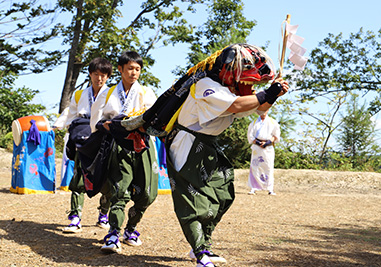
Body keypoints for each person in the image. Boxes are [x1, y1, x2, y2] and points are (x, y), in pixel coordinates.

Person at [161, 44, 288, 267]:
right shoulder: (205, 85)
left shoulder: (234, 91)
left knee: (223, 194)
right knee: (191, 200)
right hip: (187, 142)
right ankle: (200, 253)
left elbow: (257, 107)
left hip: (209, 144)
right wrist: (268, 92)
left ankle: (203, 245)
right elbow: (238, 104)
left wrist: (274, 94)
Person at [90, 51, 158, 253]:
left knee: (148, 193)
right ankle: (112, 234)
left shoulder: (146, 92)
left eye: (137, 69)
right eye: (130, 68)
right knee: (119, 191)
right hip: (117, 145)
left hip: (142, 145)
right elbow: (96, 120)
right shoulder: (107, 93)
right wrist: (107, 127)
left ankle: (131, 228)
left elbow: (154, 120)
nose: (134, 73)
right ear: (120, 69)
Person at [57, 57, 113, 233]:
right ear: (90, 74)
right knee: (79, 177)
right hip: (83, 139)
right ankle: (75, 217)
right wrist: (57, 125)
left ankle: (104, 213)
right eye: (96, 74)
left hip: (103, 139)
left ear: (108, 76)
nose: (99, 78)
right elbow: (70, 113)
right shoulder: (79, 94)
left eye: (103, 75)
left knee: (107, 179)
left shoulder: (112, 94)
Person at [247, 110, 280, 196]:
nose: (263, 113)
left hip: (268, 147)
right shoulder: (254, 123)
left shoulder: (273, 122)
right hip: (257, 146)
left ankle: (270, 188)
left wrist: (267, 143)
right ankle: (253, 188)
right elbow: (250, 136)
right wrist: (258, 143)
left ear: (268, 110)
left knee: (268, 167)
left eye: (264, 111)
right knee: (255, 166)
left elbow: (275, 135)